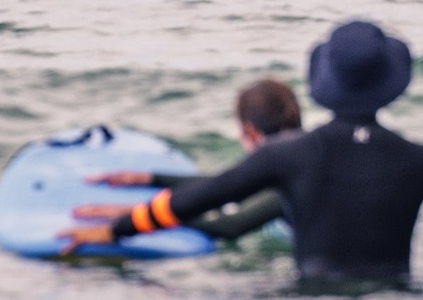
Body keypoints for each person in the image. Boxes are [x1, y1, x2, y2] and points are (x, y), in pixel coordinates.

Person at [60, 20, 423, 285]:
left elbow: (207, 195)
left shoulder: (289, 157)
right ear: (393, 87)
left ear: (323, 87)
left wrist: (118, 227)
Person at [73, 78, 302, 241]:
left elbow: (229, 225)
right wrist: (151, 178)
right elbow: (225, 186)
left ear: (250, 133)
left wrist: (138, 214)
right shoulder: (305, 157)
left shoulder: (288, 179)